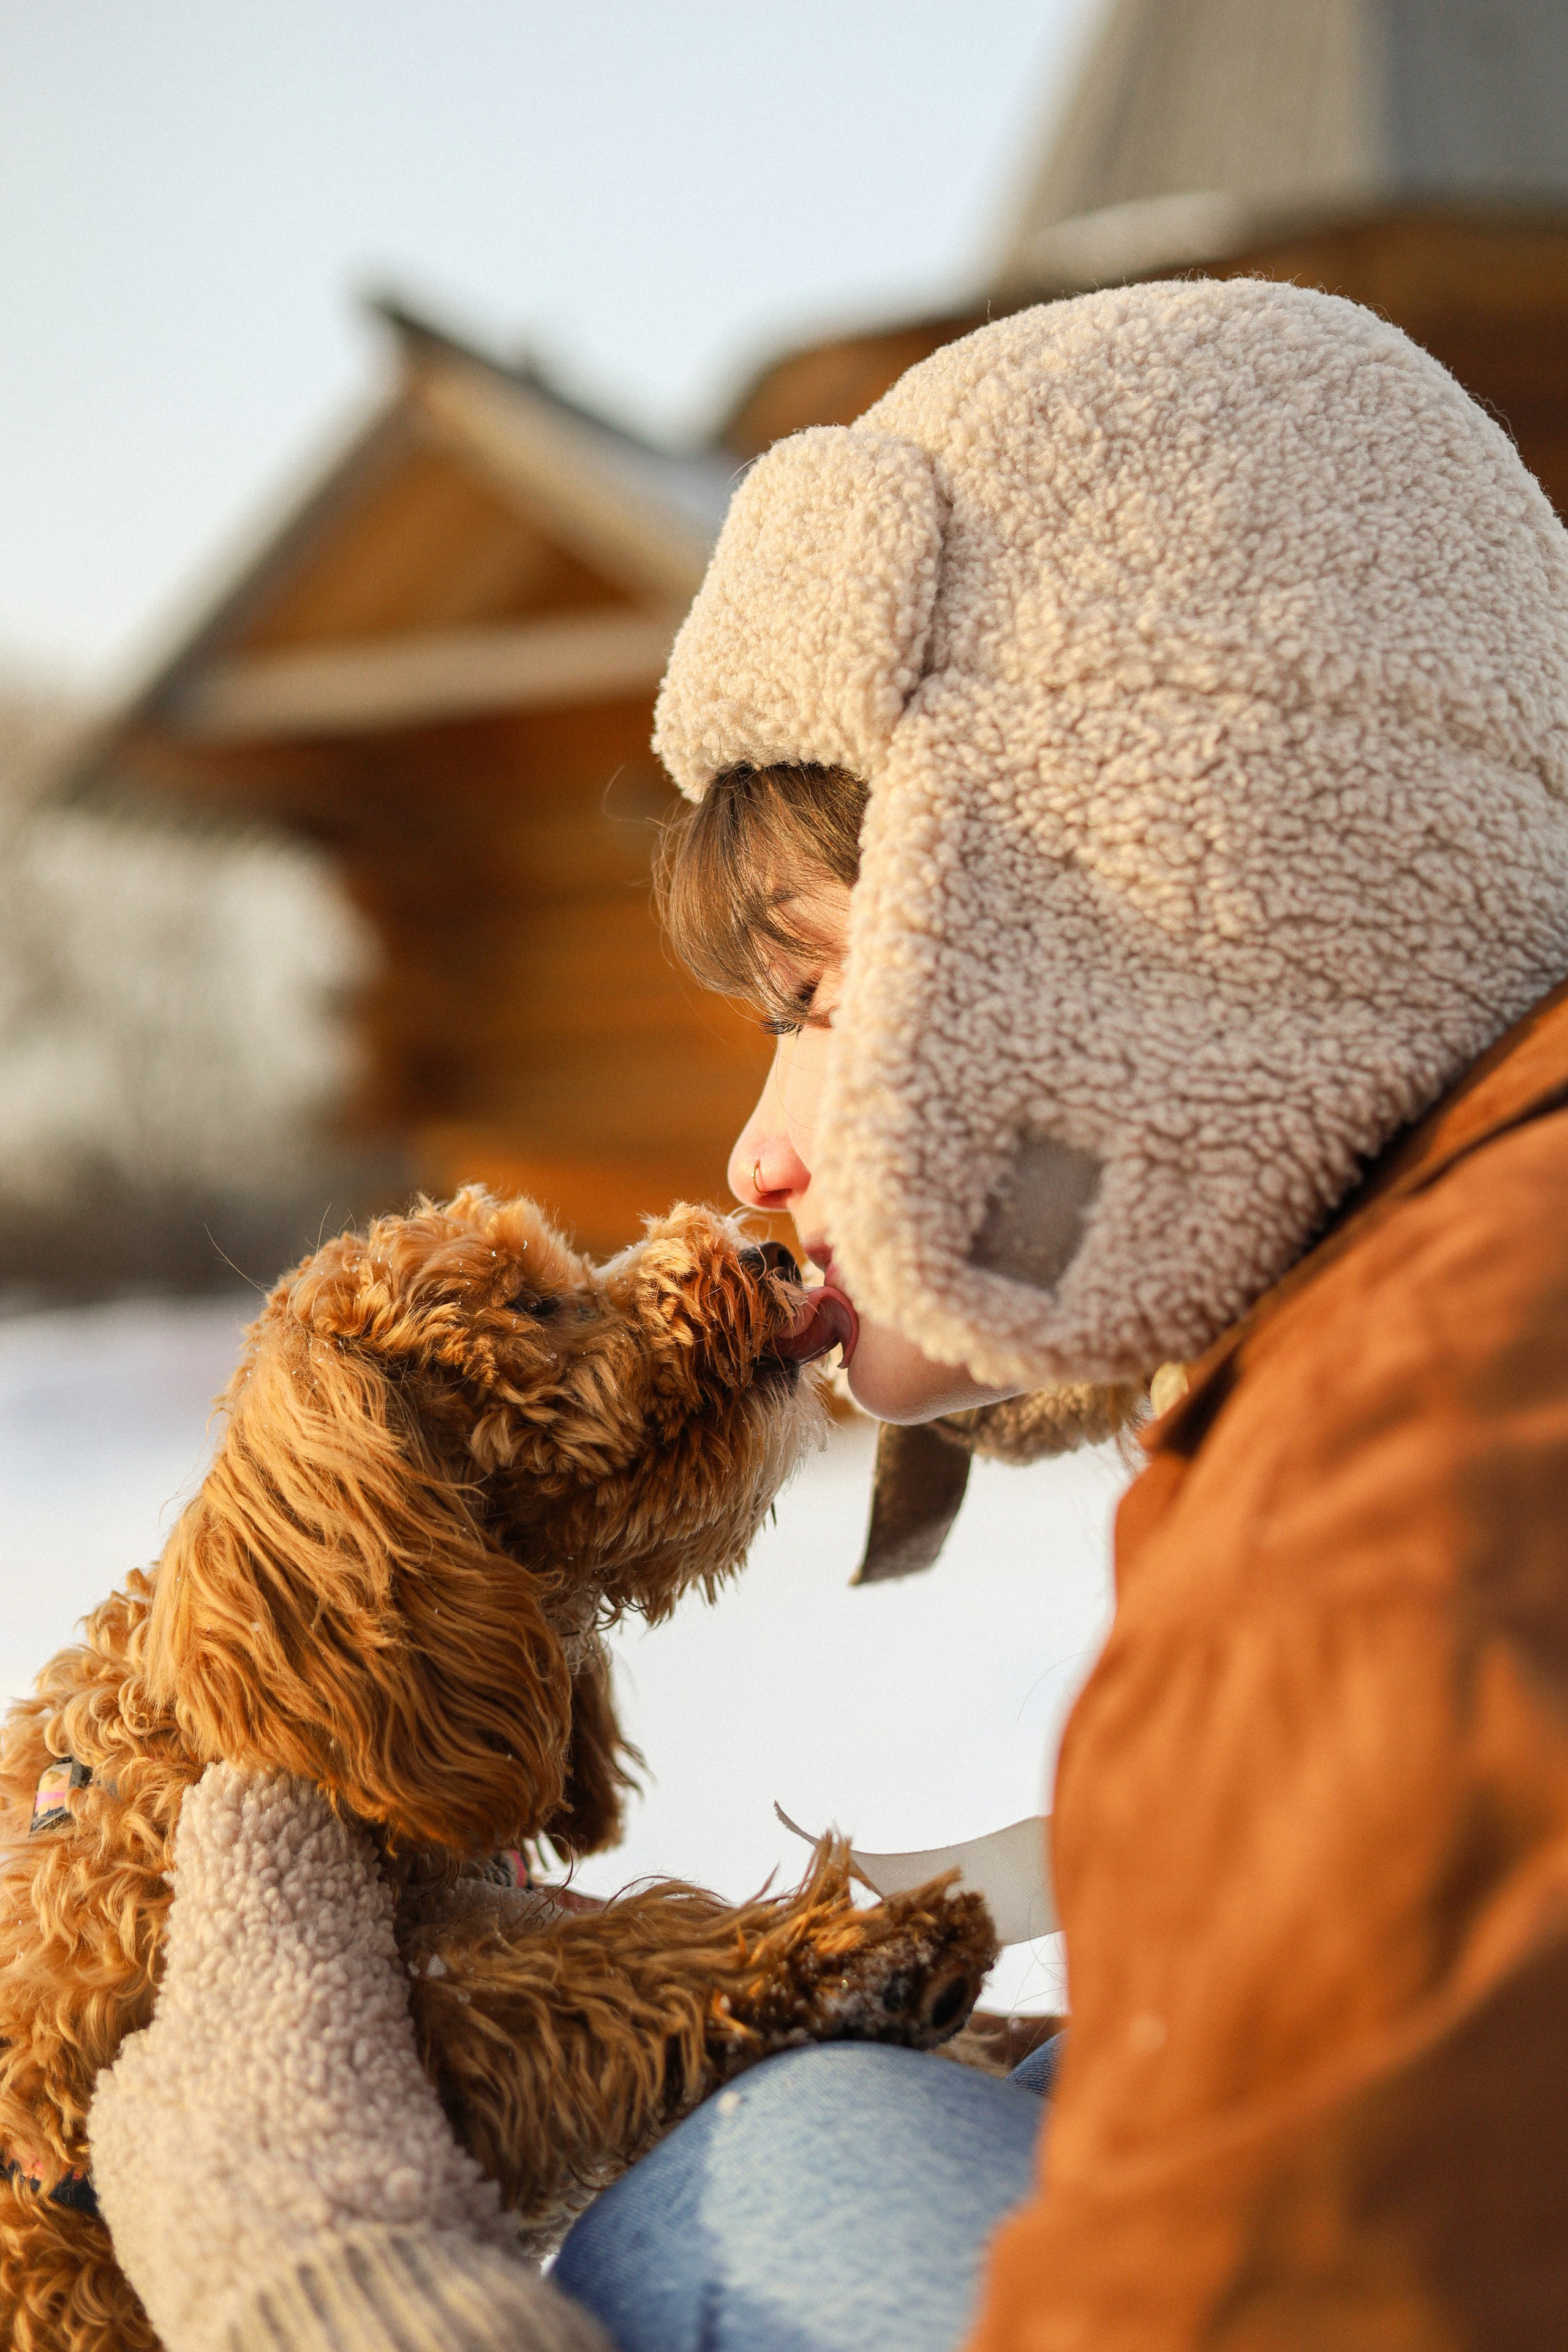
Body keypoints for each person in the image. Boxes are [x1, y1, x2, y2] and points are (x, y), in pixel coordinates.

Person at [92, 274, 1568, 2349]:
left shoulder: (1429, 1475)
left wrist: (319, 2273)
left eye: (834, 995)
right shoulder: (1442, 1321)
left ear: (1151, 910)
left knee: (765, 2170)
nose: (761, 1156)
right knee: (815, 2119)